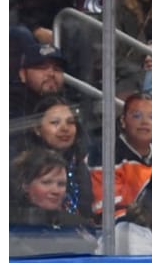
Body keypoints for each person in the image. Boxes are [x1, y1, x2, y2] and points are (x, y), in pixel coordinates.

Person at [90, 92, 152, 219]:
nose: (145, 122)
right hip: (124, 228)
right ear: (123, 121)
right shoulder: (105, 154)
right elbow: (107, 211)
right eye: (137, 116)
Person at [15, 97, 96, 227]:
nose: (65, 128)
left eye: (70, 122)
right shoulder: (23, 165)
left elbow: (86, 212)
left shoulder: (79, 165)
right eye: (55, 122)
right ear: (37, 129)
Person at [10, 147, 97, 257]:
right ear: (25, 185)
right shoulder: (12, 228)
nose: (56, 191)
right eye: (46, 183)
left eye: (61, 184)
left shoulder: (77, 225)